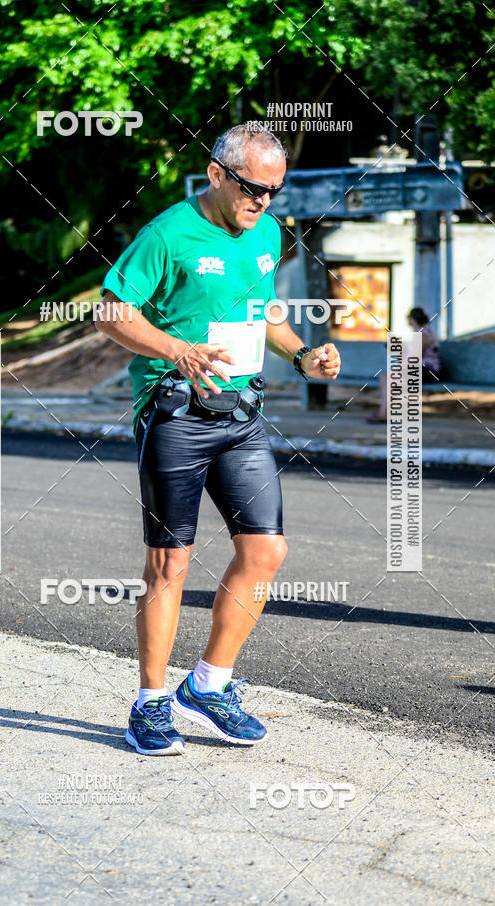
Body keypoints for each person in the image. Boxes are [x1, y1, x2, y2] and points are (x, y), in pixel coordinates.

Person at [97, 124, 341, 755]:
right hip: (174, 414)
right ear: (215, 174)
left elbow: (263, 309)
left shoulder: (265, 231)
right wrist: (177, 350)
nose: (263, 202)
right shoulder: (167, 234)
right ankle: (150, 705)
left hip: (242, 416)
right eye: (252, 188)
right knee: (168, 565)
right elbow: (112, 312)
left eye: (274, 191)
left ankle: (209, 685)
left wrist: (303, 356)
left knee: (266, 551)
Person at [367, 307, 441, 424]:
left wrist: (401, 367)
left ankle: (385, 414)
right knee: (387, 377)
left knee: (389, 378)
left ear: (412, 320)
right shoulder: (421, 333)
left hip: (429, 372)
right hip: (421, 370)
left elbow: (415, 360)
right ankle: (385, 413)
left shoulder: (423, 334)